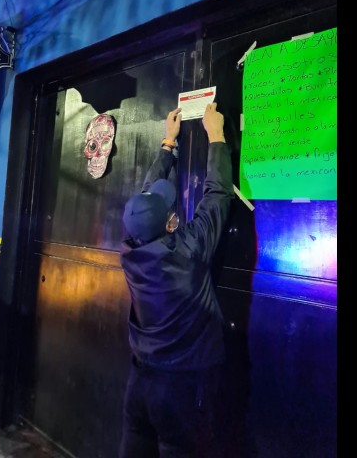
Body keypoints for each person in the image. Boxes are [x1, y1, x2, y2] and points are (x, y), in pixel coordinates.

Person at [119, 102, 234, 457]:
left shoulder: (130, 249)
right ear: (171, 224)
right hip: (181, 388)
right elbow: (217, 195)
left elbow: (146, 201)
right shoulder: (188, 249)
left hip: (140, 383)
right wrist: (217, 135)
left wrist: (168, 143)